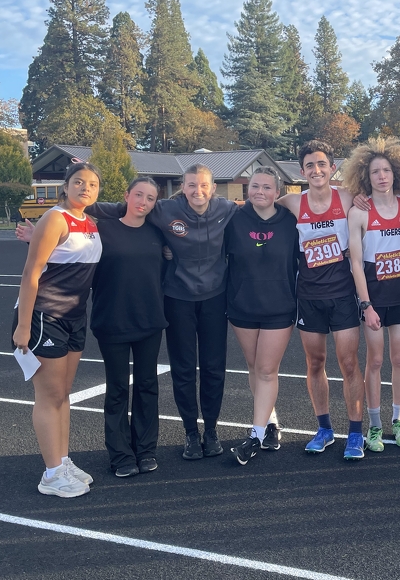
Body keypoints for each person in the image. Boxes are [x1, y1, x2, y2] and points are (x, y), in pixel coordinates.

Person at [88, 165, 238, 461]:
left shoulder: (227, 208)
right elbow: (118, 207)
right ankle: (190, 434)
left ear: (213, 188)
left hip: (214, 299)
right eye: (192, 185)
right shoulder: (164, 209)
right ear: (183, 186)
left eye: (204, 186)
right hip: (177, 299)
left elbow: (263, 206)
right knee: (183, 369)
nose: (198, 191)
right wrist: (73, 202)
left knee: (213, 368)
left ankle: (210, 430)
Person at [12, 162, 102, 498]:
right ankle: (51, 474)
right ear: (65, 186)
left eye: (92, 184)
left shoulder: (90, 222)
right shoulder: (55, 218)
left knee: (63, 394)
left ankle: (62, 461)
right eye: (79, 182)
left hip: (75, 317)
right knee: (49, 397)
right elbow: (31, 273)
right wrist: (23, 325)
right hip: (43, 317)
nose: (85, 188)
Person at [276, 141, 366, 460]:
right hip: (309, 296)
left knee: (350, 363)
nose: (316, 170)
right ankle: (325, 429)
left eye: (322, 164)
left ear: (332, 168)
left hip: (342, 294)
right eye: (310, 166)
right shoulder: (290, 201)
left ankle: (356, 434)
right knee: (315, 363)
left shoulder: (346, 197)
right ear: (302, 172)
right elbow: (256, 208)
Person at [90, 178, 167, 478]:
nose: (143, 202)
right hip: (112, 321)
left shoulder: (158, 234)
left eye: (150, 198)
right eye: (139, 195)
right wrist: (35, 238)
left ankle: (146, 450)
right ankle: (121, 455)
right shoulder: (103, 230)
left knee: (147, 387)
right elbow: (71, 251)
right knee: (118, 389)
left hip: (149, 320)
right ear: (126, 195)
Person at [346, 138, 400, 453]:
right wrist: (366, 305)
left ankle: (398, 420)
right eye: (375, 172)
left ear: (395, 172)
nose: (382, 176)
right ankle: (374, 425)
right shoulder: (359, 212)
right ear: (367, 177)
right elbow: (356, 264)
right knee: (374, 360)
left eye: (386, 170)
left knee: (399, 358)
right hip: (374, 295)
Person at [224, 168, 300, 465]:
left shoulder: (290, 222)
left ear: (276, 191)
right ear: (247, 189)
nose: (260, 192)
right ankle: (269, 422)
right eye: (255, 186)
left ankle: (254, 436)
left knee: (267, 370)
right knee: (255, 367)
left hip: (279, 308)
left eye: (267, 187)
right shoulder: (233, 219)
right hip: (242, 306)